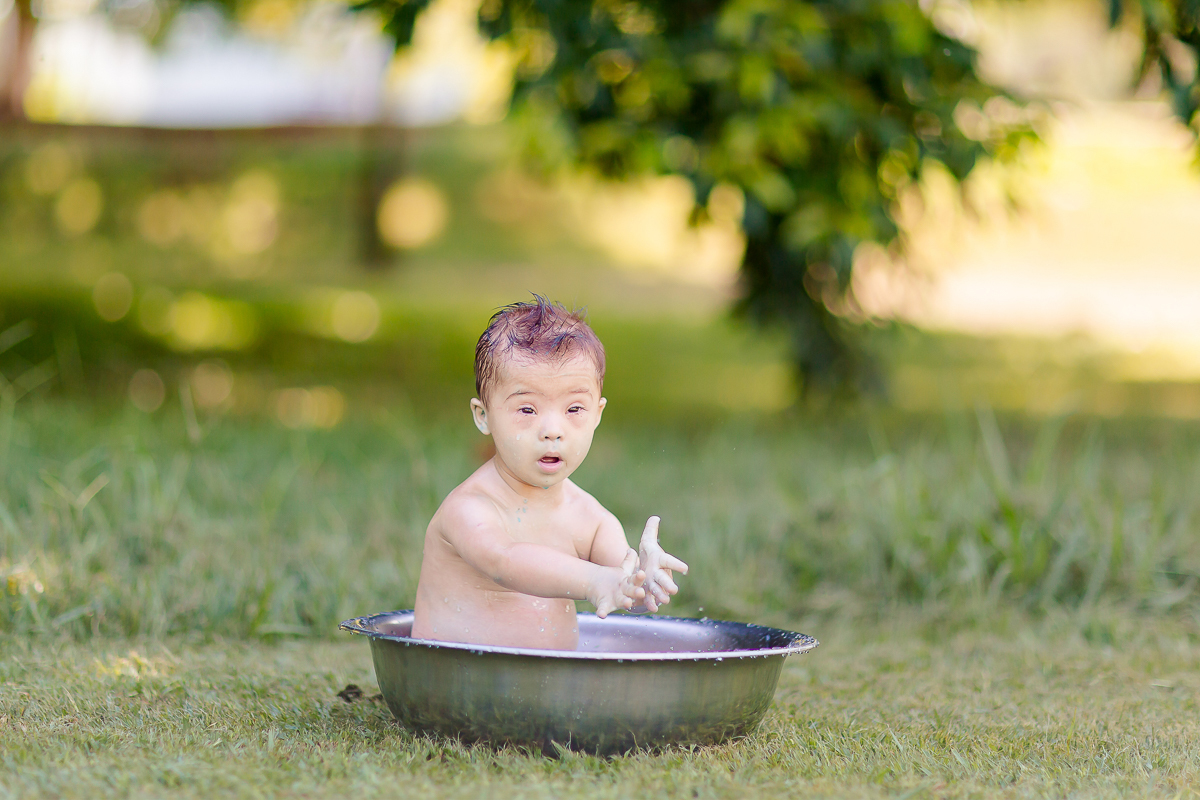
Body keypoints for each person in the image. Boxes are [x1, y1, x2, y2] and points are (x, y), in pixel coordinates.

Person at [411, 296, 688, 650]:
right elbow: (504, 560)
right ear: (483, 416)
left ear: (598, 414)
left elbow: (618, 585)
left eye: (574, 408)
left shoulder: (592, 519)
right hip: (454, 686)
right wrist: (593, 581)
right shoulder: (470, 509)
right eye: (527, 409)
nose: (552, 430)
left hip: (550, 692)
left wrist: (641, 579)